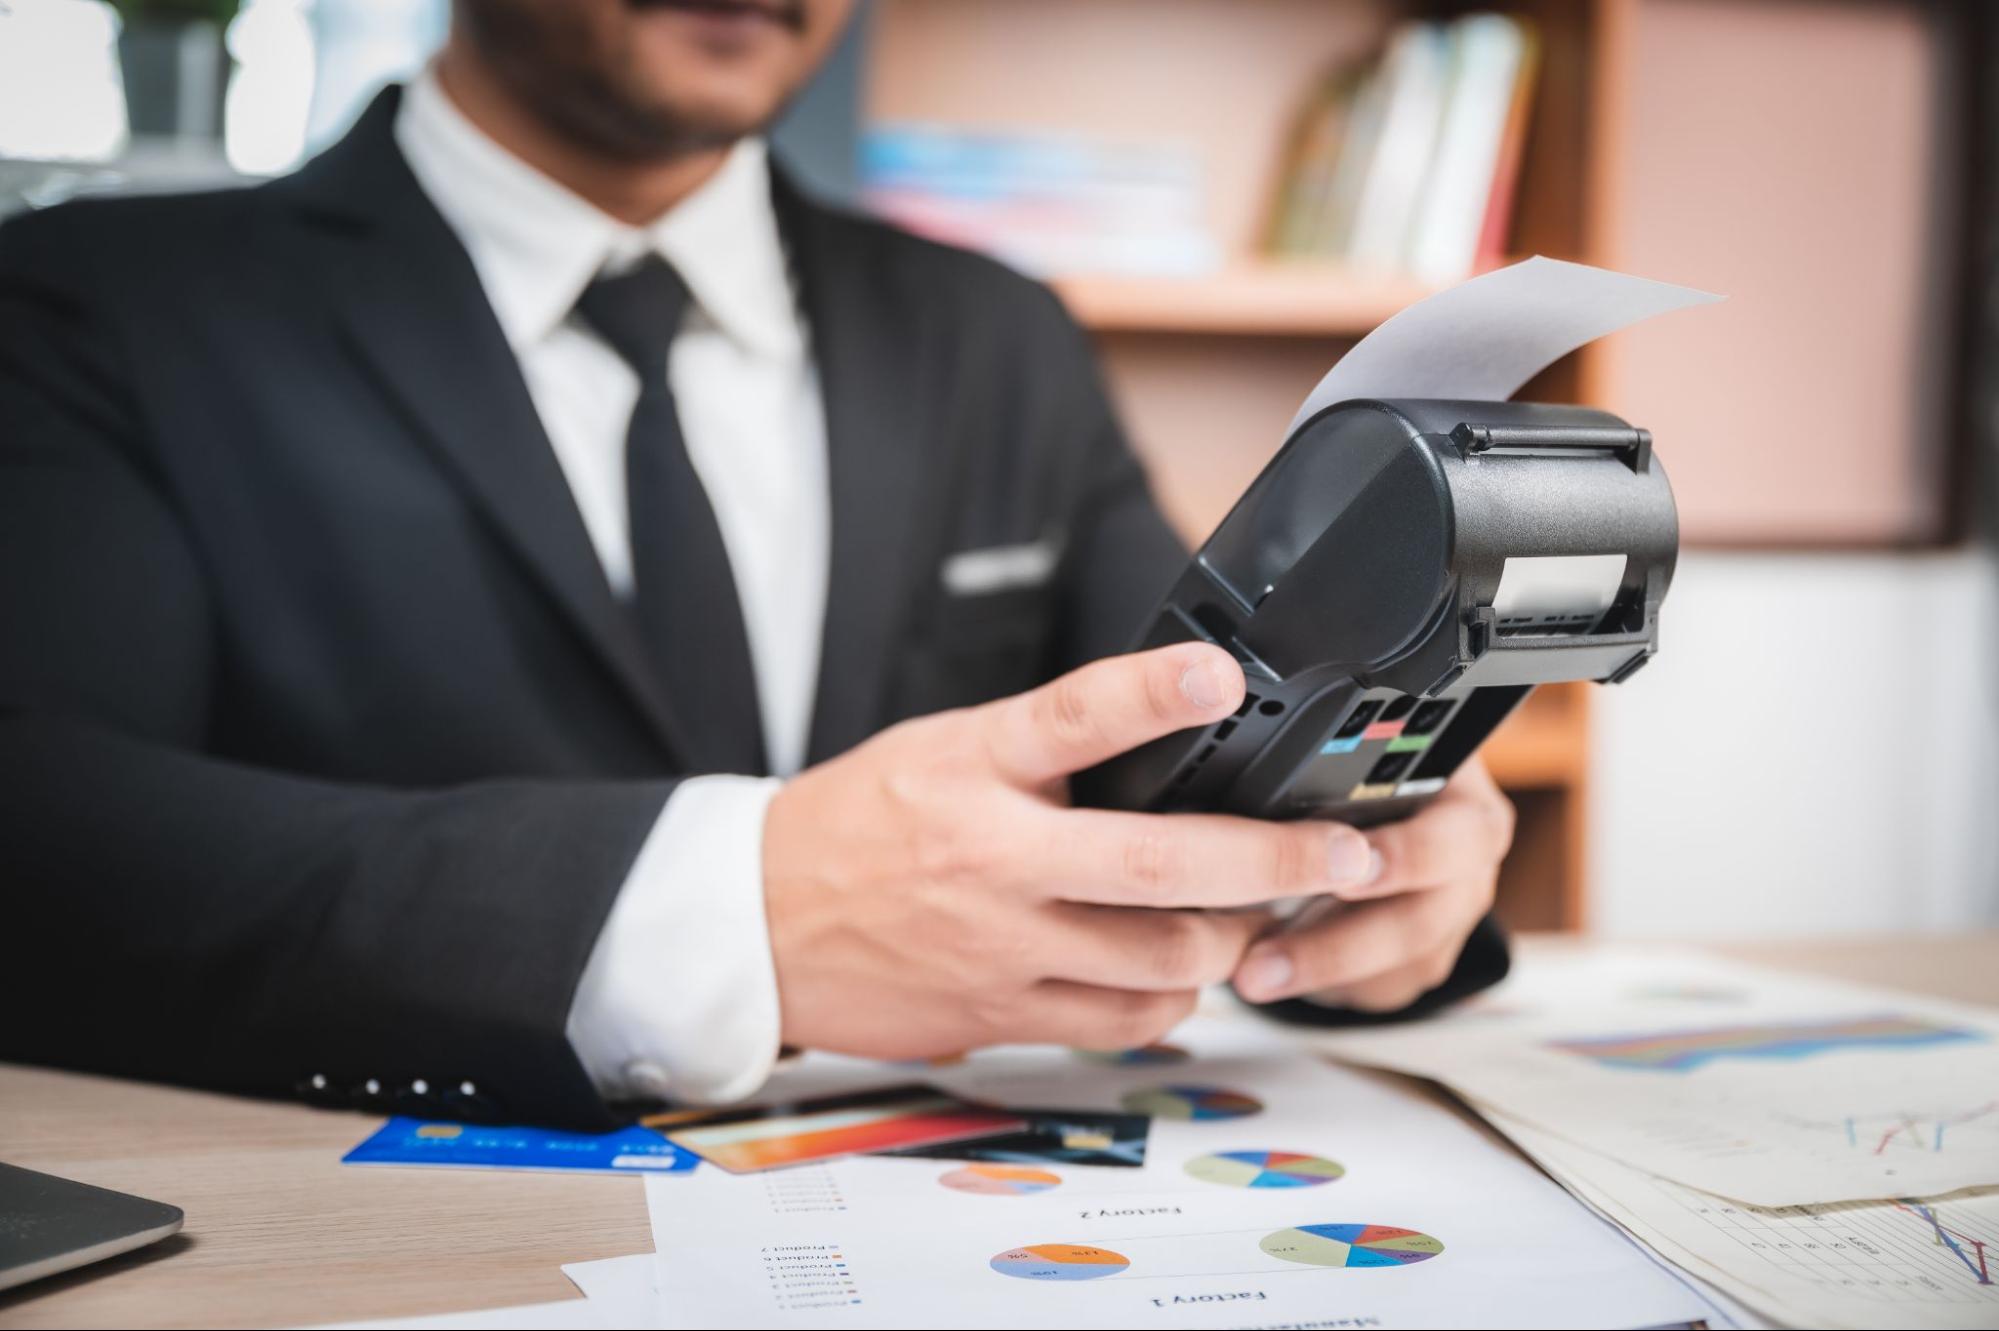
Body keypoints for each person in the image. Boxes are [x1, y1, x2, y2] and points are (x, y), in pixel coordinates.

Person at [0, 0, 1514, 1130]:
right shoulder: (95, 304)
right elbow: (47, 840)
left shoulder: (995, 334)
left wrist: (1358, 877)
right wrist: (725, 912)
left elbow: (1190, 722)